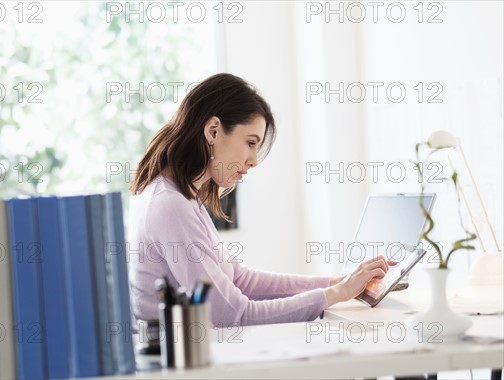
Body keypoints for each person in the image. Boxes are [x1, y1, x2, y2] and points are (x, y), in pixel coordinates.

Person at [128, 73, 393, 327]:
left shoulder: (179, 195)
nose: (253, 160)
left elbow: (239, 280)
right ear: (213, 131)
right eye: (250, 142)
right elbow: (233, 315)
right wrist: (337, 293)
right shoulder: (171, 205)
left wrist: (336, 283)